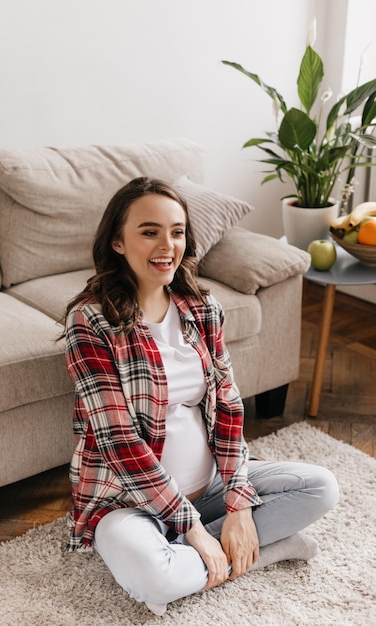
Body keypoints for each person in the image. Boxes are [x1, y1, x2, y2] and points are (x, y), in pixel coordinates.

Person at [62, 177, 339, 616]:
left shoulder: (203, 309)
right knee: (154, 576)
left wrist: (238, 504)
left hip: (210, 487)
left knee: (323, 486)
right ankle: (271, 549)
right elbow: (118, 443)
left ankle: (202, 557)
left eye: (176, 231)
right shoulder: (90, 320)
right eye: (149, 231)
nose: (167, 244)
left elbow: (228, 407)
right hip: (129, 501)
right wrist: (193, 529)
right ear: (117, 241)